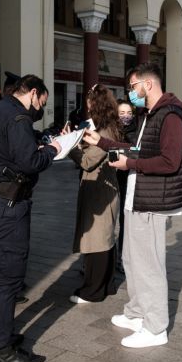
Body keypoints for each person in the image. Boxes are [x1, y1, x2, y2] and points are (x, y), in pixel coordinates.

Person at [83, 62, 182, 348]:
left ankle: (155, 328)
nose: (131, 92)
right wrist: (103, 143)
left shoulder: (171, 115)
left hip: (153, 199)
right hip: (137, 196)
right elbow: (138, 150)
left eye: (133, 86)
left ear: (148, 84)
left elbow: (170, 162)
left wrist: (129, 164)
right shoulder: (150, 114)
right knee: (132, 260)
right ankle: (137, 312)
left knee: (149, 265)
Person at [0, 74, 61, 362]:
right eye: (42, 103)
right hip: (8, 206)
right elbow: (30, 162)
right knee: (8, 277)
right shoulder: (18, 117)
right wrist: (52, 150)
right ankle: (4, 351)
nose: (40, 109)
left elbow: (3, 150)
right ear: (33, 93)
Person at [67, 84, 122, 303]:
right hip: (101, 188)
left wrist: (69, 147)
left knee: (97, 240)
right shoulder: (105, 126)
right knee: (104, 238)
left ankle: (93, 291)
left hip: (101, 190)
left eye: (90, 103)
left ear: (96, 104)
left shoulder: (105, 130)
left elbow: (88, 161)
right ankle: (106, 285)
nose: (87, 107)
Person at [115, 99, 137, 274]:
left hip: (128, 179)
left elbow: (138, 151)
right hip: (111, 178)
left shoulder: (137, 129)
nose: (126, 116)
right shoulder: (111, 130)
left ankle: (122, 258)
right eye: (122, 113)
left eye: (129, 113)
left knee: (125, 221)